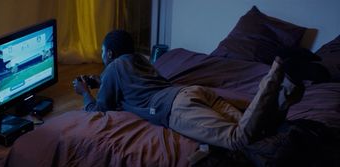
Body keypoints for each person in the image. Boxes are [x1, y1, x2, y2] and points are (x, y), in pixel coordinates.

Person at [73, 30, 330, 151]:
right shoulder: (140, 60)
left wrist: (85, 91)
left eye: (102, 54)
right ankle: (290, 84)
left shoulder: (115, 67)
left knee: (237, 140)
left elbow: (98, 110)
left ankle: (278, 69)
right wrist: (99, 80)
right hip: (195, 93)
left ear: (108, 53)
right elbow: (122, 79)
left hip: (176, 108)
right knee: (259, 127)